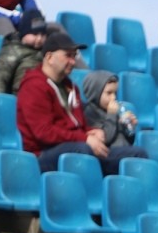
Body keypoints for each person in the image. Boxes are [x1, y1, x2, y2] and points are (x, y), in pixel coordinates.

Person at [16, 32, 147, 174]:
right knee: (83, 150)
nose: (73, 61)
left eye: (74, 56)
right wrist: (85, 138)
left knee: (137, 154)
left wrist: (92, 132)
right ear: (49, 57)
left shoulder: (71, 87)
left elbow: (78, 125)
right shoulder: (34, 87)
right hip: (42, 155)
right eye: (68, 55)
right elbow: (44, 133)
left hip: (75, 147)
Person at [0, 6, 44, 94]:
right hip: (22, 97)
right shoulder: (13, 49)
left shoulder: (46, 52)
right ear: (24, 33)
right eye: (35, 34)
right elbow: (0, 78)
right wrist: (0, 100)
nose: (39, 39)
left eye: (43, 35)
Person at [82, 70, 140, 150]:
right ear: (95, 93)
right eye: (109, 93)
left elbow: (129, 141)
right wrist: (111, 114)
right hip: (107, 154)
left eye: (115, 93)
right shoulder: (90, 112)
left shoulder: (113, 111)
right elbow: (106, 139)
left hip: (123, 151)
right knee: (140, 153)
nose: (113, 97)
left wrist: (128, 128)